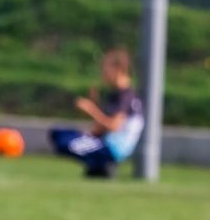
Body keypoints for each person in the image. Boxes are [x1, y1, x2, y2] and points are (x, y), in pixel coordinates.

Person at [50, 47, 144, 178]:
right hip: (105, 142)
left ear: (118, 69)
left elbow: (114, 126)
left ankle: (102, 165)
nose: (103, 73)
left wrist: (91, 109)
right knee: (59, 133)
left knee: (64, 143)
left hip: (112, 149)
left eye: (105, 68)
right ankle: (98, 167)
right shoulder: (116, 95)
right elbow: (103, 126)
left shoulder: (125, 96)